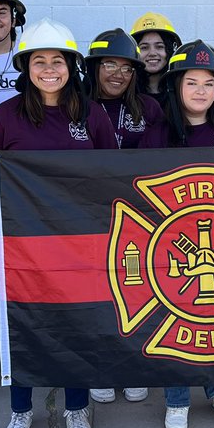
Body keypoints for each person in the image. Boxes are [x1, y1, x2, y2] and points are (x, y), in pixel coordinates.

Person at [0, 19, 116, 428]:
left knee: (76, 323)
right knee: (24, 322)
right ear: (26, 66)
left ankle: (77, 407)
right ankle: (21, 409)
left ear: (71, 65)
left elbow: (111, 175)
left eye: (57, 60)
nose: (49, 68)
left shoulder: (90, 113)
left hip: (79, 243)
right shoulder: (5, 116)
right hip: (24, 246)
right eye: (39, 60)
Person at [144, 40, 214, 428]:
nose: (201, 91)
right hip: (172, 247)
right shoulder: (156, 135)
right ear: (176, 86)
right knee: (176, 320)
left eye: (209, 83)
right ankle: (176, 397)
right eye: (192, 82)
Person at [83, 28, 163, 405]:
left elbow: (162, 164)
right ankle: (100, 365)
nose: (118, 73)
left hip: (137, 220)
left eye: (126, 68)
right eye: (109, 65)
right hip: (87, 217)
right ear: (94, 66)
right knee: (96, 295)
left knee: (134, 292)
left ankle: (132, 364)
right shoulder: (74, 105)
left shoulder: (149, 108)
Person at [130, 12, 181, 106]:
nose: (152, 53)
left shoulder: (183, 90)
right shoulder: (126, 90)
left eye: (159, 47)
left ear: (171, 49)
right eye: (144, 48)